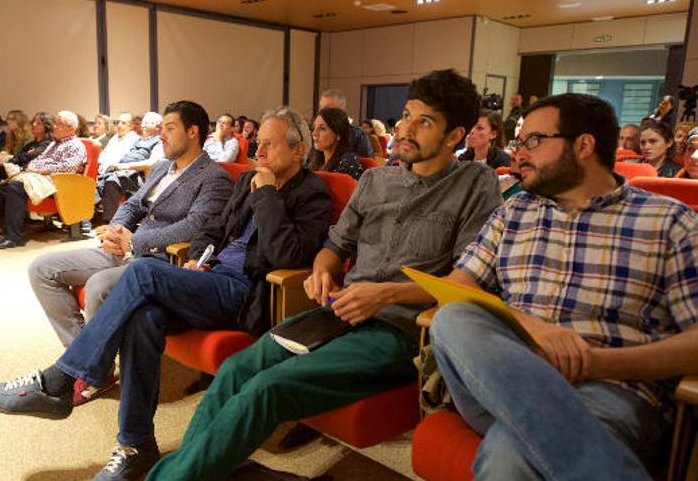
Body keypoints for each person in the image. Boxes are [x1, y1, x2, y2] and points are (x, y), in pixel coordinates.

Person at [144, 69, 502, 481]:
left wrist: (383, 295)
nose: (405, 128)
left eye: (424, 122)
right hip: (336, 313)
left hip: (398, 331)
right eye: (405, 115)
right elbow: (334, 247)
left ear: (455, 136)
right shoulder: (375, 180)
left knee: (266, 389)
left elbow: (464, 283)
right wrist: (321, 272)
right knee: (234, 372)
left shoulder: (476, 184)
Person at [0, 106, 331, 481]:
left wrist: (269, 196)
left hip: (248, 293)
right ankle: (136, 447)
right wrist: (198, 257)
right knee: (143, 319)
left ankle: (62, 380)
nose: (258, 153)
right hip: (211, 278)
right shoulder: (249, 183)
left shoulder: (311, 194)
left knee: (143, 271)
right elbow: (213, 229)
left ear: (298, 151)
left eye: (269, 146)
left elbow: (287, 255)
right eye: (258, 144)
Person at [421, 93, 698, 479]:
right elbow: (455, 287)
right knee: (453, 318)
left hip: (612, 389)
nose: (518, 153)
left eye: (533, 141)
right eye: (518, 142)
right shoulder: (514, 212)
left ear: (583, 145)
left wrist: (596, 363)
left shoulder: (669, 222)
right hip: (502, 375)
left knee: (507, 458)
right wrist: (538, 330)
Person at [26, 101, 231, 349]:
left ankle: (86, 367)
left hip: (159, 260)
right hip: (124, 248)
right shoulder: (162, 167)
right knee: (41, 269)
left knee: (97, 286)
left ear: (192, 132)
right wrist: (115, 230)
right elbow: (133, 204)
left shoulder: (214, 177)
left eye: (169, 128)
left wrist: (134, 242)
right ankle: (82, 353)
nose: (161, 135)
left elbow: (194, 226)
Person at [0, 111, 87, 249]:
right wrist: (34, 168)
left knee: (14, 187)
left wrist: (41, 169)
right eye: (54, 123)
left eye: (58, 124)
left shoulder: (75, 145)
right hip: (39, 179)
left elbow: (68, 167)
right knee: (0, 189)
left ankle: (14, 237)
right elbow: (36, 161)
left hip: (58, 185)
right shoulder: (54, 144)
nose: (54, 126)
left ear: (71, 128)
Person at [94, 111, 164, 224]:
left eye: (148, 123)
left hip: (139, 176)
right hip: (124, 173)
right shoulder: (139, 140)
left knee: (111, 179)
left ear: (158, 127)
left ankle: (106, 219)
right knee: (105, 180)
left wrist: (123, 166)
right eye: (143, 122)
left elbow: (150, 163)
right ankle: (99, 218)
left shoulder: (159, 141)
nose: (143, 125)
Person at [0, 112, 55, 182]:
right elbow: (19, 155)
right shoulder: (31, 143)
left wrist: (16, 158)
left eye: (39, 123)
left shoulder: (48, 144)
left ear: (47, 126)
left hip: (30, 174)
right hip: (17, 169)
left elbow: (27, 157)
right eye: (33, 122)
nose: (34, 124)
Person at [309, 107, 364, 180]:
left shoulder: (347, 163)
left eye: (322, 128)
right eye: (314, 128)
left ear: (338, 135)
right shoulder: (315, 160)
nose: (314, 133)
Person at [318, 89, 373, 157]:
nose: (323, 114)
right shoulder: (315, 134)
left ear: (342, 111)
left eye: (329, 110)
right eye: (321, 110)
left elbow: (365, 164)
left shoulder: (358, 136)